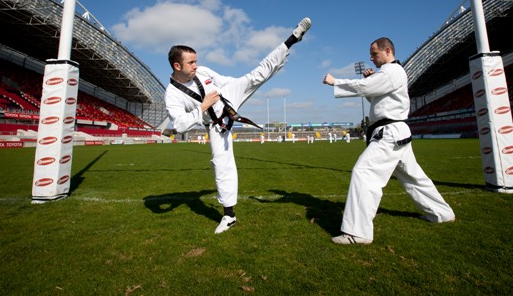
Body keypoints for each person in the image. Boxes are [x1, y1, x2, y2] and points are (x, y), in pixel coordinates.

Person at [165, 17, 312, 234]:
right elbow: (179, 125)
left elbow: (222, 80)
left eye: (196, 61)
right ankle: (229, 215)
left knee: (256, 75)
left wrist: (241, 84)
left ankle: (292, 39)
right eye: (191, 63)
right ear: (177, 66)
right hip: (215, 124)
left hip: (226, 96)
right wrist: (202, 108)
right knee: (221, 163)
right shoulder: (172, 94)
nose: (196, 65)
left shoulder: (202, 71)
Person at [322, 37, 455, 245]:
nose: (371, 58)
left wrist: (335, 81)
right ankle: (442, 213)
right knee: (413, 178)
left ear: (387, 51)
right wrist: (371, 81)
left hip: (390, 133)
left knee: (364, 173)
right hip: (394, 132)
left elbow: (364, 88)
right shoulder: (389, 73)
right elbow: (376, 98)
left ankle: (358, 232)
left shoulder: (392, 71)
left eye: (374, 54)